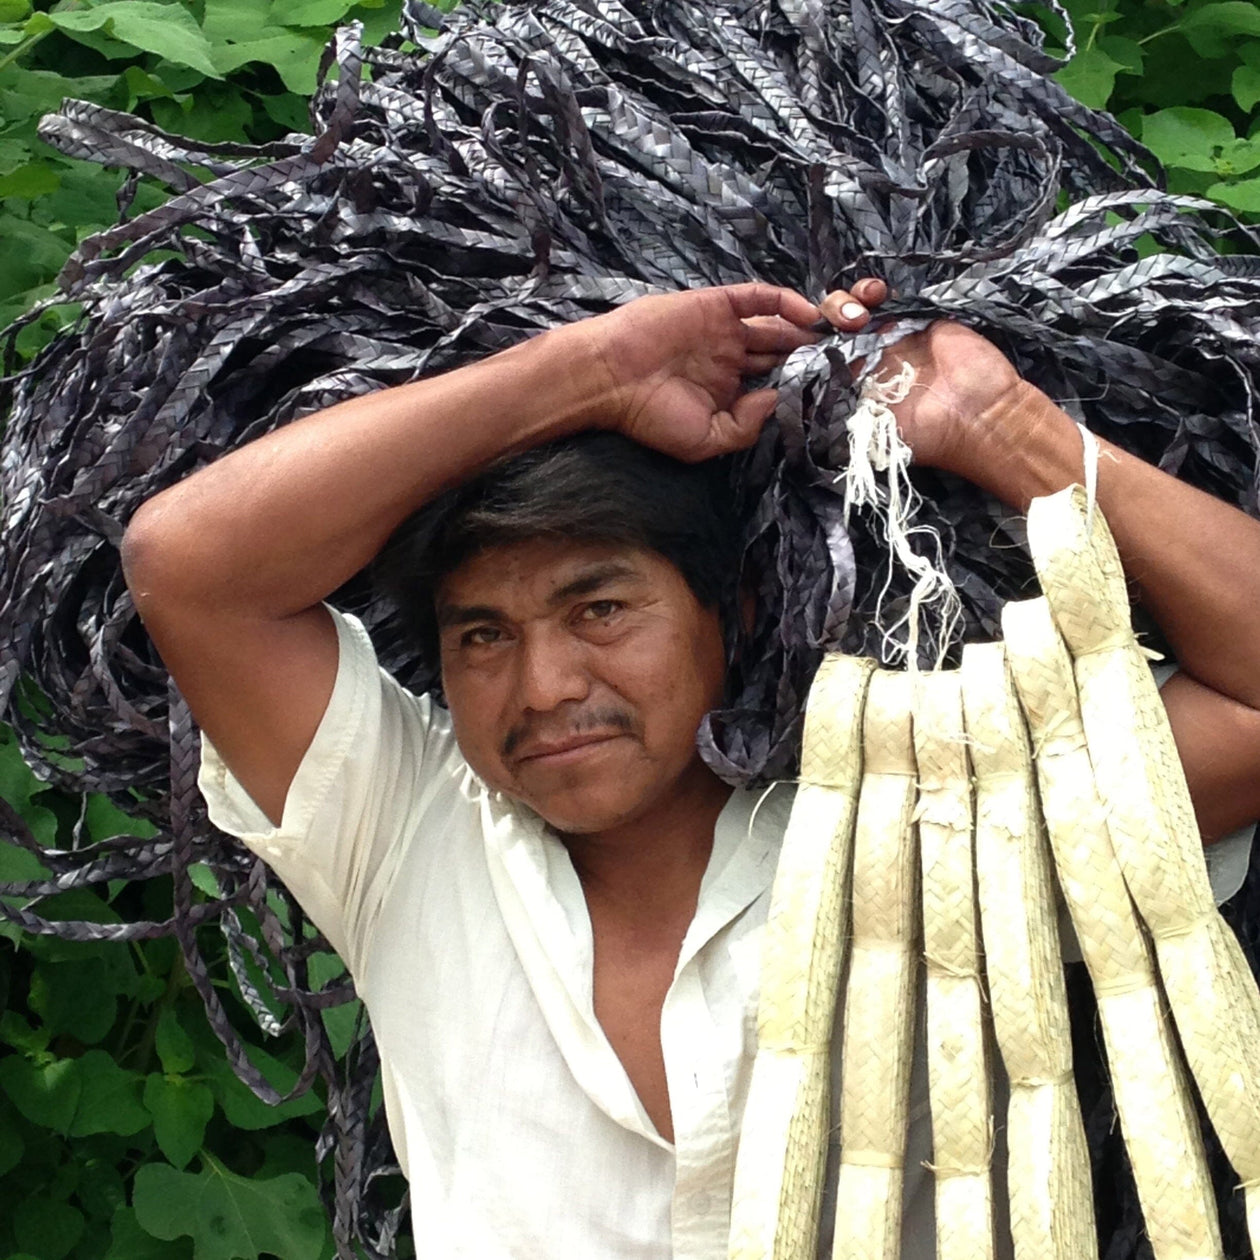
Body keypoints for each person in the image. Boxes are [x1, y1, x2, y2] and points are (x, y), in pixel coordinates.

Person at [121, 279, 1260, 1258]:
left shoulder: (936, 826)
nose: (545, 686)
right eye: (482, 637)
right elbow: (189, 565)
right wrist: (590, 370)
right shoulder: (404, 832)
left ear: (739, 611)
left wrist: (1005, 427)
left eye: (601, 608)